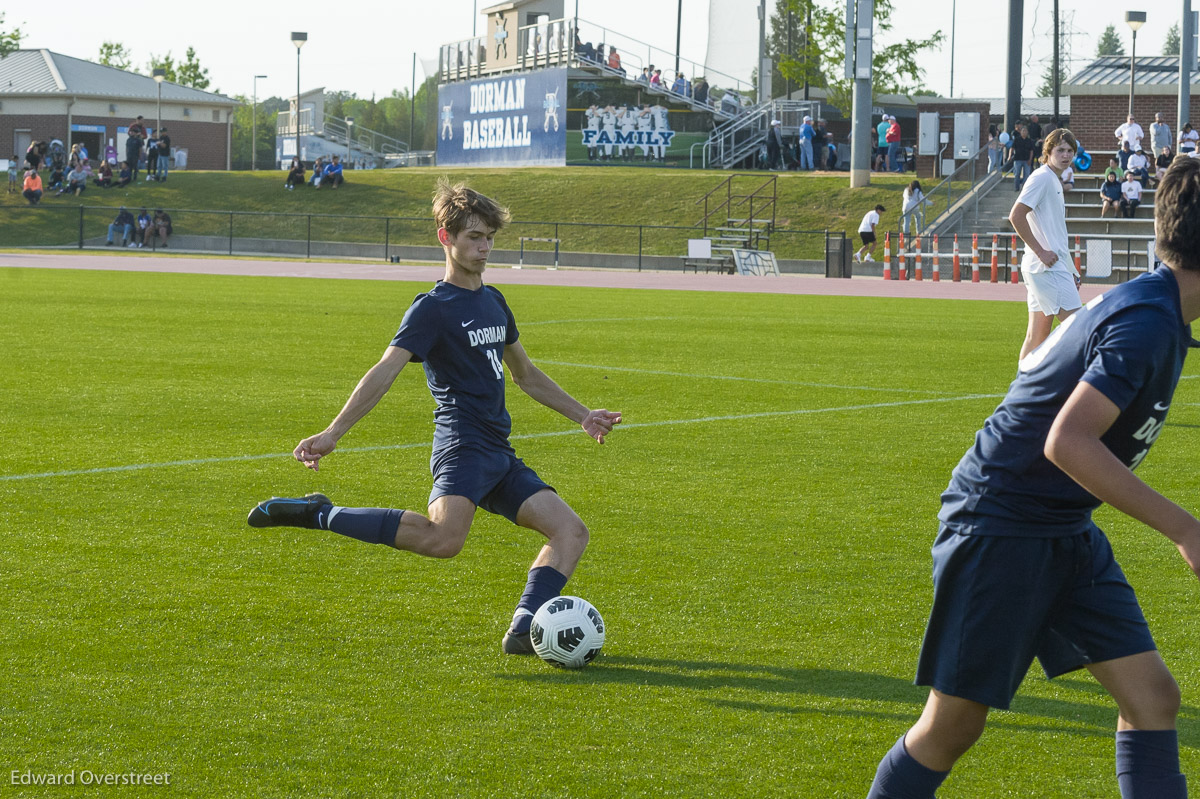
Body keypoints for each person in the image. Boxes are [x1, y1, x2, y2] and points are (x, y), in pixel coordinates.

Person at [865, 153, 1200, 799]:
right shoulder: (1146, 323)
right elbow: (1067, 442)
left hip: (1060, 525)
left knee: (1153, 697)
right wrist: (1185, 528)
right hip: (999, 523)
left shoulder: (1161, 313)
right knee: (951, 727)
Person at [246, 180, 622, 656]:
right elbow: (384, 370)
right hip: (462, 445)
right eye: (472, 237)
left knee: (571, 531)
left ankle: (524, 628)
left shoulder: (495, 301)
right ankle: (319, 512)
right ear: (446, 239)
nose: (483, 247)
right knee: (442, 540)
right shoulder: (431, 308)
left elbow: (526, 375)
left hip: (498, 453)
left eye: (488, 237)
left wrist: (583, 414)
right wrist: (333, 432)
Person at [1009, 129, 1081, 360]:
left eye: (1070, 151)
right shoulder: (1041, 177)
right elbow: (1016, 215)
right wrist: (1041, 252)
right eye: (1060, 150)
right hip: (1046, 268)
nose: (1066, 155)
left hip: (1044, 267)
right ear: (1048, 152)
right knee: (1080, 330)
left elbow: (1056, 233)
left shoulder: (1054, 179)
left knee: (1036, 337)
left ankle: (1021, 392)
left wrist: (1071, 269)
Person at [1011, 125, 1036, 191]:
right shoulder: (1017, 139)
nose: (1024, 132)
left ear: (1027, 132)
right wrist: (1009, 156)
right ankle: (1017, 187)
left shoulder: (1029, 141)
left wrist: (1030, 159)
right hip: (1018, 159)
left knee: (1026, 175)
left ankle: (1024, 188)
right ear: (1020, 132)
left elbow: (1031, 151)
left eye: (1025, 131)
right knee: (1017, 174)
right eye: (1023, 131)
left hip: (1026, 160)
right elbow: (1012, 148)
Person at [126, 116, 146, 181]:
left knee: (136, 164)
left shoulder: (143, 128)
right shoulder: (133, 126)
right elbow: (128, 132)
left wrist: (141, 136)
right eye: (142, 120)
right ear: (138, 120)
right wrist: (134, 134)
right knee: (130, 166)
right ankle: (129, 176)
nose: (143, 121)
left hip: (139, 145)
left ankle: (136, 175)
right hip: (131, 149)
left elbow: (145, 136)